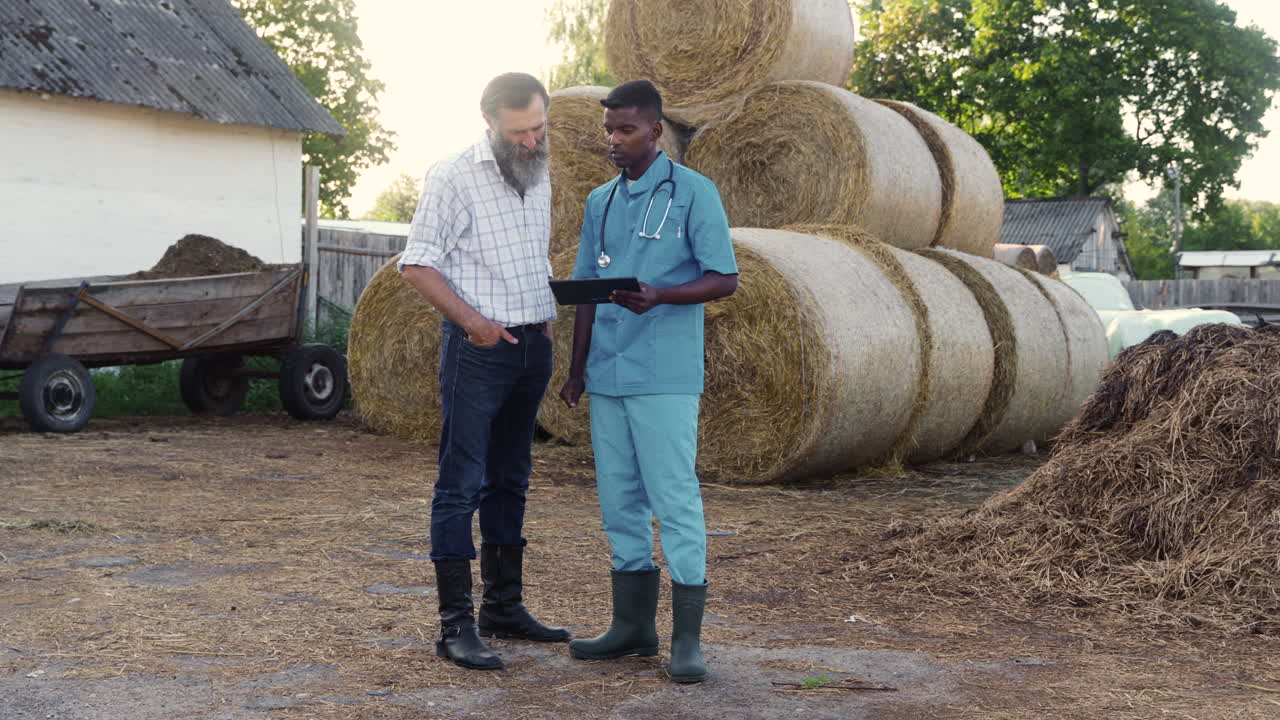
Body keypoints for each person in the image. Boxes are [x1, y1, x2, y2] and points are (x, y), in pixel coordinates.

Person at [559, 80, 738, 684]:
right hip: (608, 373)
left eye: (625, 129)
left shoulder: (694, 193)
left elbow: (725, 278)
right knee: (619, 502)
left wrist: (662, 294)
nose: (614, 139)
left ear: (656, 131)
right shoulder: (599, 201)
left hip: (663, 373)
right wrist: (577, 369)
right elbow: (586, 289)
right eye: (608, 129)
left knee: (674, 499)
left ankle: (687, 641)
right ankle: (632, 627)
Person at [399, 72, 569, 672]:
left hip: (531, 346)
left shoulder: (540, 168)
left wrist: (543, 314)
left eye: (539, 128)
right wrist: (475, 324)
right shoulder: (452, 176)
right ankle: (454, 628)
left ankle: (504, 608)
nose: (532, 141)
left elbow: (532, 251)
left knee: (512, 478)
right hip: (479, 348)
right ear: (490, 122)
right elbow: (416, 264)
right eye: (520, 131)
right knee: (461, 483)